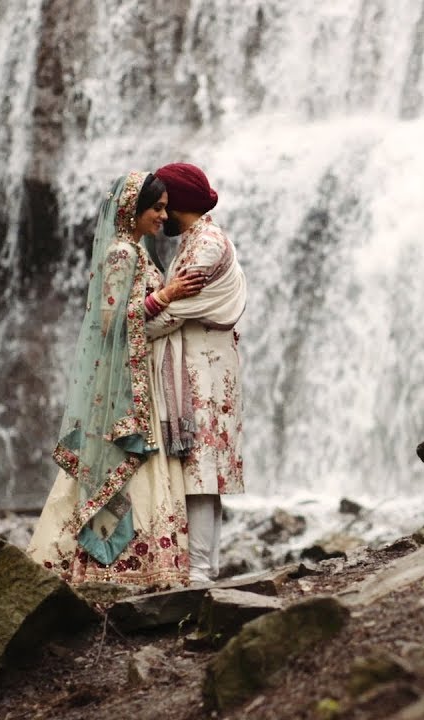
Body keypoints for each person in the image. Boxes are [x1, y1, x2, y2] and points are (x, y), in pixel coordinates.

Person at [28, 171, 206, 588]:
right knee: (124, 465)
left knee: (140, 468)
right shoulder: (122, 253)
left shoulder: (139, 252)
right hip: (124, 382)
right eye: (157, 208)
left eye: (165, 208)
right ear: (132, 210)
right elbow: (109, 323)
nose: (164, 216)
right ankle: (113, 570)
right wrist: (166, 296)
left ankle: (140, 567)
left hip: (140, 378)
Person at [146, 162, 247, 583]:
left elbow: (165, 319)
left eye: (166, 204)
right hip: (201, 365)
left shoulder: (205, 246)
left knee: (202, 466)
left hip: (205, 370)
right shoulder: (196, 239)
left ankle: (201, 571)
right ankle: (205, 565)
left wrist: (128, 325)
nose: (161, 214)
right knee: (204, 463)